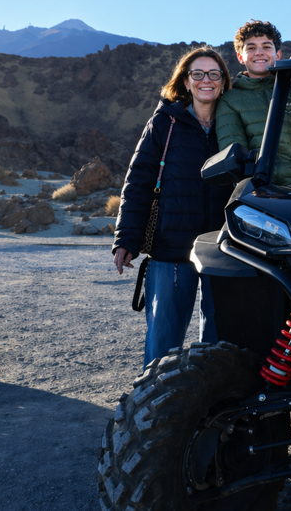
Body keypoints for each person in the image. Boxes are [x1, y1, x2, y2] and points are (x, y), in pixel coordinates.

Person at [113, 46, 233, 369]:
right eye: (197, 74)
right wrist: (127, 239)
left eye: (213, 74)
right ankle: (152, 415)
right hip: (171, 251)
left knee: (219, 347)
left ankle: (214, 418)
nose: (205, 80)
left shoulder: (233, 125)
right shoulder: (165, 123)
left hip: (224, 252)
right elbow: (138, 181)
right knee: (162, 348)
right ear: (186, 80)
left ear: (223, 81)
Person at [215, 20, 291, 185]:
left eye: (266, 47)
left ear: (278, 55)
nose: (259, 52)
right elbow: (234, 155)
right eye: (251, 48)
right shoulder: (230, 100)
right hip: (257, 191)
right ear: (240, 57)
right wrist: (257, 188)